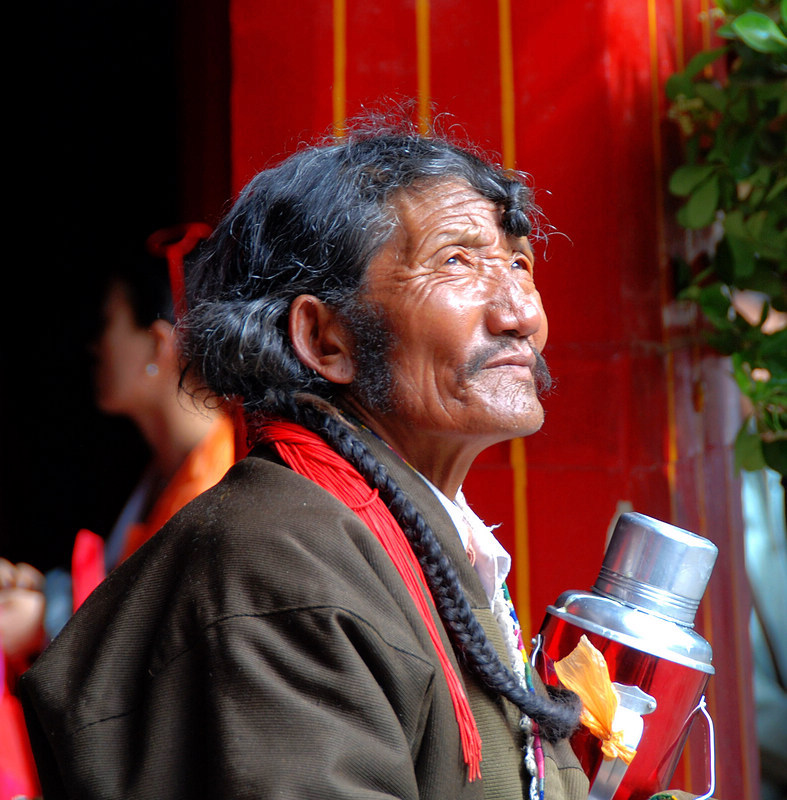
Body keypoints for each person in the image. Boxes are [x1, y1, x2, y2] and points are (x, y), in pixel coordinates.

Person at [19, 119, 707, 800]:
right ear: (326, 339)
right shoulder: (282, 562)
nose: (521, 312)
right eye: (457, 261)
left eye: (519, 263)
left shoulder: (406, 536)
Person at [0, 227, 236, 797]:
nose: (94, 346)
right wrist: (38, 590)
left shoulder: (218, 481)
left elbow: (163, 648)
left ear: (157, 346)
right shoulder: (166, 470)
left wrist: (43, 619)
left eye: (107, 325)